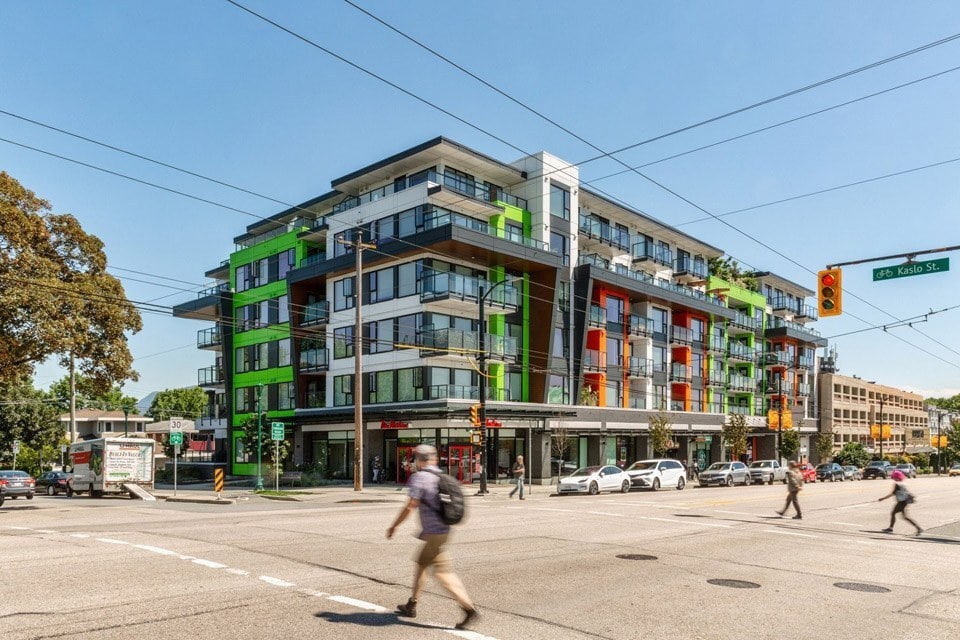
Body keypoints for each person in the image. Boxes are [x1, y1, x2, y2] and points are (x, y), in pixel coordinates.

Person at [386, 444, 478, 630]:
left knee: (443, 573)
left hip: (434, 534)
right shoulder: (441, 476)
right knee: (422, 564)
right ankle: (412, 604)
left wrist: (394, 526)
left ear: (419, 461)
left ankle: (468, 609)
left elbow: (410, 506)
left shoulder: (419, 478)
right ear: (434, 459)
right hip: (442, 530)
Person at [879, 469, 922, 535]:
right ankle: (918, 528)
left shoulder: (897, 484)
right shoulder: (904, 484)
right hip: (904, 501)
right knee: (904, 516)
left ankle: (890, 528)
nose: (893, 478)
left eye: (894, 477)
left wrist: (883, 498)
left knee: (894, 513)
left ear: (896, 477)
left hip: (901, 502)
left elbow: (892, 493)